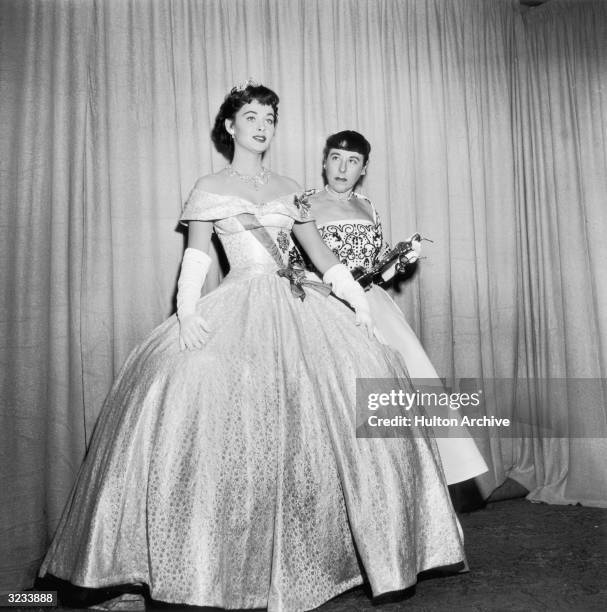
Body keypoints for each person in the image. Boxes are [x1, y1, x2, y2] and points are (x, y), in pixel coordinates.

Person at [39, 85, 465, 611]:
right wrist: (188, 312)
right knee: (193, 389)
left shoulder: (290, 189)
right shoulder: (209, 186)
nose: (262, 126)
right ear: (231, 128)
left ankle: (346, 550)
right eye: (251, 116)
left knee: (361, 374)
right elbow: (196, 258)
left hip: (296, 303)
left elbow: (324, 258)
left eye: (269, 117)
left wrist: (357, 304)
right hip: (238, 298)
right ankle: (207, 558)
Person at [289, 130, 488, 487]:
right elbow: (292, 261)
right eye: (335, 157)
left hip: (373, 302)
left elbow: (377, 265)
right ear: (324, 161)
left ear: (363, 168)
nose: (342, 167)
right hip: (326, 305)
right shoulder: (303, 203)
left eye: (352, 161)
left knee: (406, 381)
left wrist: (400, 260)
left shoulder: (368, 206)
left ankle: (399, 479)